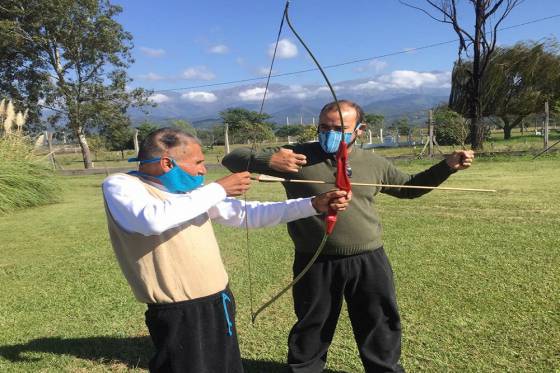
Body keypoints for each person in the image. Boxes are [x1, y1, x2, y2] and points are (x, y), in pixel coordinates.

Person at [222, 100, 475, 373]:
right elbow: (231, 158)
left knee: (379, 323)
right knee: (312, 325)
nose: (329, 133)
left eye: (339, 128)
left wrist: (447, 166)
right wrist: (267, 160)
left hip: (369, 259)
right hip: (315, 259)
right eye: (324, 127)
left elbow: (409, 188)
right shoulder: (296, 157)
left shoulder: (373, 162)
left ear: (360, 129)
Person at [101, 127, 350, 373]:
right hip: (176, 310)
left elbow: (248, 214)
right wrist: (219, 188)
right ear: (167, 162)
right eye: (198, 162)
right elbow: (151, 221)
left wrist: (313, 205)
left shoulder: (192, 193)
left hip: (218, 298)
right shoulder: (122, 185)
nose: (203, 170)